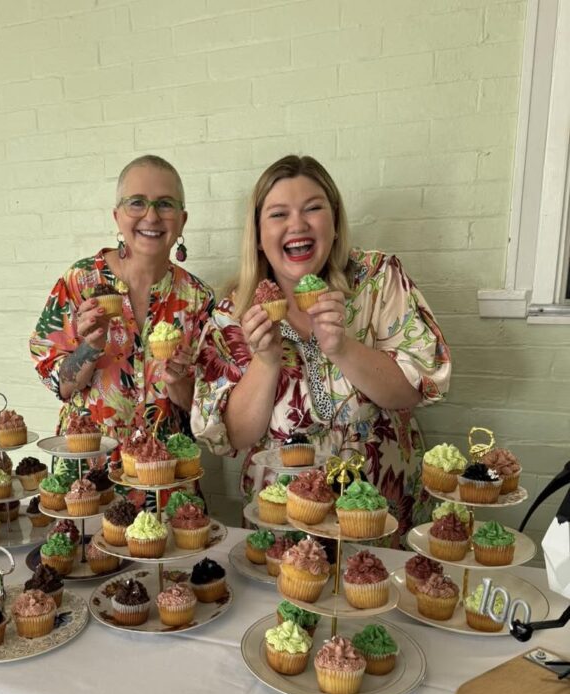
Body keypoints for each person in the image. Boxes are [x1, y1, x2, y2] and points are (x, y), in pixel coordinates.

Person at [191, 155, 451, 540]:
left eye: (313, 208)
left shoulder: (377, 280)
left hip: (381, 502)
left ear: (335, 222)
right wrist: (266, 362)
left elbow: (414, 391)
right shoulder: (234, 312)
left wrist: (342, 348)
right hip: (281, 510)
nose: (298, 224)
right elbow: (235, 437)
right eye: (278, 214)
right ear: (258, 236)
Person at [30, 155, 214, 444]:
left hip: (166, 464)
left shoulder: (198, 299)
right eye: (137, 202)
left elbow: (208, 409)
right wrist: (89, 348)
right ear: (117, 216)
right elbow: (61, 386)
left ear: (182, 221)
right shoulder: (79, 282)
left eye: (165, 204)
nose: (151, 216)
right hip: (89, 461)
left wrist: (178, 381)